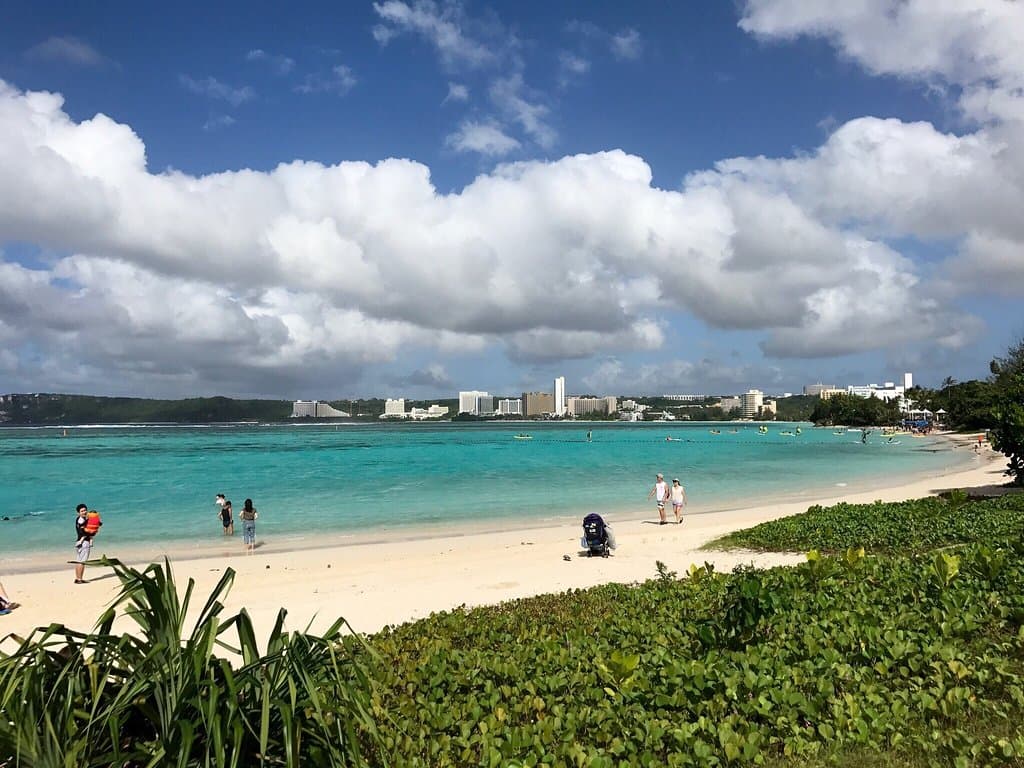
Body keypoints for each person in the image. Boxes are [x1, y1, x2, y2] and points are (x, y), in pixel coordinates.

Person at [73, 503, 102, 584]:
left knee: (79, 560)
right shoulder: (82, 521)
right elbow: (85, 532)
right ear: (78, 512)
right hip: (84, 543)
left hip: (79, 542)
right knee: (82, 561)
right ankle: (79, 579)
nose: (84, 512)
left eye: (85, 510)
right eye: (82, 511)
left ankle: (78, 578)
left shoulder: (79, 519)